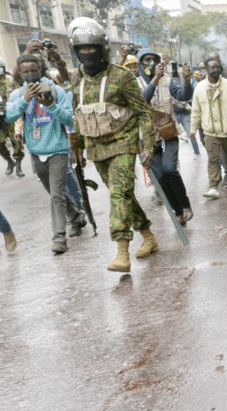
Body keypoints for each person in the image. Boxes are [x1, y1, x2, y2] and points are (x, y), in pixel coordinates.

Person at [68, 18, 159, 272]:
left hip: (123, 144)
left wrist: (148, 146)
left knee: (118, 194)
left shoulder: (122, 77)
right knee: (124, 196)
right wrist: (77, 147)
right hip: (97, 148)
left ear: (103, 49)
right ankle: (149, 237)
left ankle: (122, 252)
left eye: (92, 49)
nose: (87, 54)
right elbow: (78, 114)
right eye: (82, 49)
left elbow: (143, 113)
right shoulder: (77, 78)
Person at [5, 54, 87, 254]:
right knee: (54, 193)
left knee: (56, 195)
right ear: (20, 73)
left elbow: (70, 120)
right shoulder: (18, 94)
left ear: (40, 69)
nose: (30, 75)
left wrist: (51, 105)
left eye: (34, 70)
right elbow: (8, 116)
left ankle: (59, 238)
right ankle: (76, 217)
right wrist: (25, 100)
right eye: (25, 72)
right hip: (35, 151)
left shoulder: (56, 90)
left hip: (58, 150)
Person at [136, 48, 195, 225]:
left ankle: (185, 206)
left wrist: (186, 80)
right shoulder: (134, 82)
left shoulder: (167, 80)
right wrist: (154, 80)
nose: (150, 63)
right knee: (160, 177)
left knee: (170, 169)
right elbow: (140, 102)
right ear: (140, 64)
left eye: (153, 59)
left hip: (169, 133)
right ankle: (177, 212)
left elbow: (184, 95)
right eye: (146, 60)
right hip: (148, 137)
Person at [190, 56, 227, 197]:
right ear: (206, 70)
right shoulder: (200, 88)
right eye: (211, 67)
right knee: (212, 160)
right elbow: (196, 111)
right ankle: (213, 187)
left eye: (217, 66)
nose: (215, 69)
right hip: (210, 132)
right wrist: (193, 129)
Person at [1, 57, 25, 177]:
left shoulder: (10, 81)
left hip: (12, 116)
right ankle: (10, 162)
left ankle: (19, 167)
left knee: (17, 142)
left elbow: (19, 96)